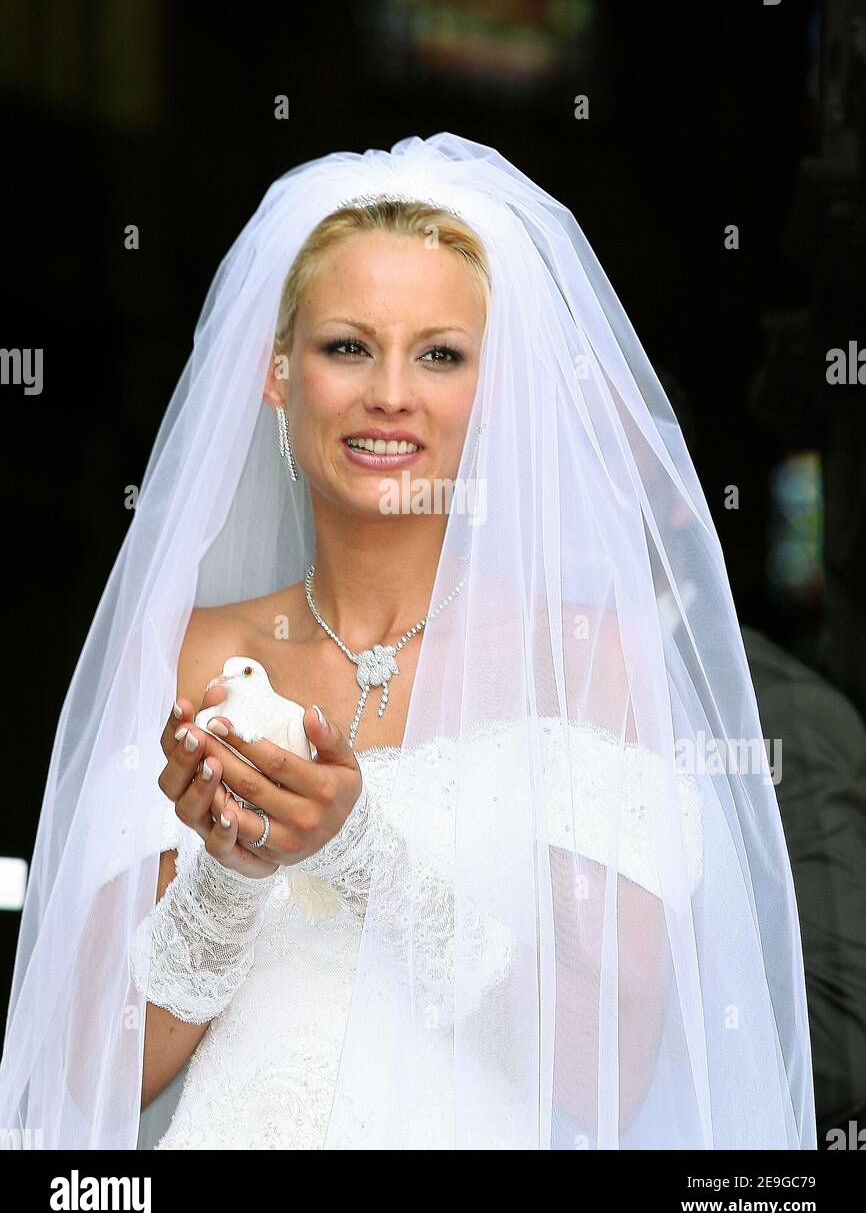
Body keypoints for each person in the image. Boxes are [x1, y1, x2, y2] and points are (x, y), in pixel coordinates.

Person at [0, 133, 816, 1149]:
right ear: (275, 372)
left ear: (493, 387)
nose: (390, 391)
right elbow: (94, 1075)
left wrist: (357, 851)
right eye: (346, 345)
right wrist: (230, 867)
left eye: (439, 353)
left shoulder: (587, 660)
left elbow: (604, 1065)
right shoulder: (185, 651)